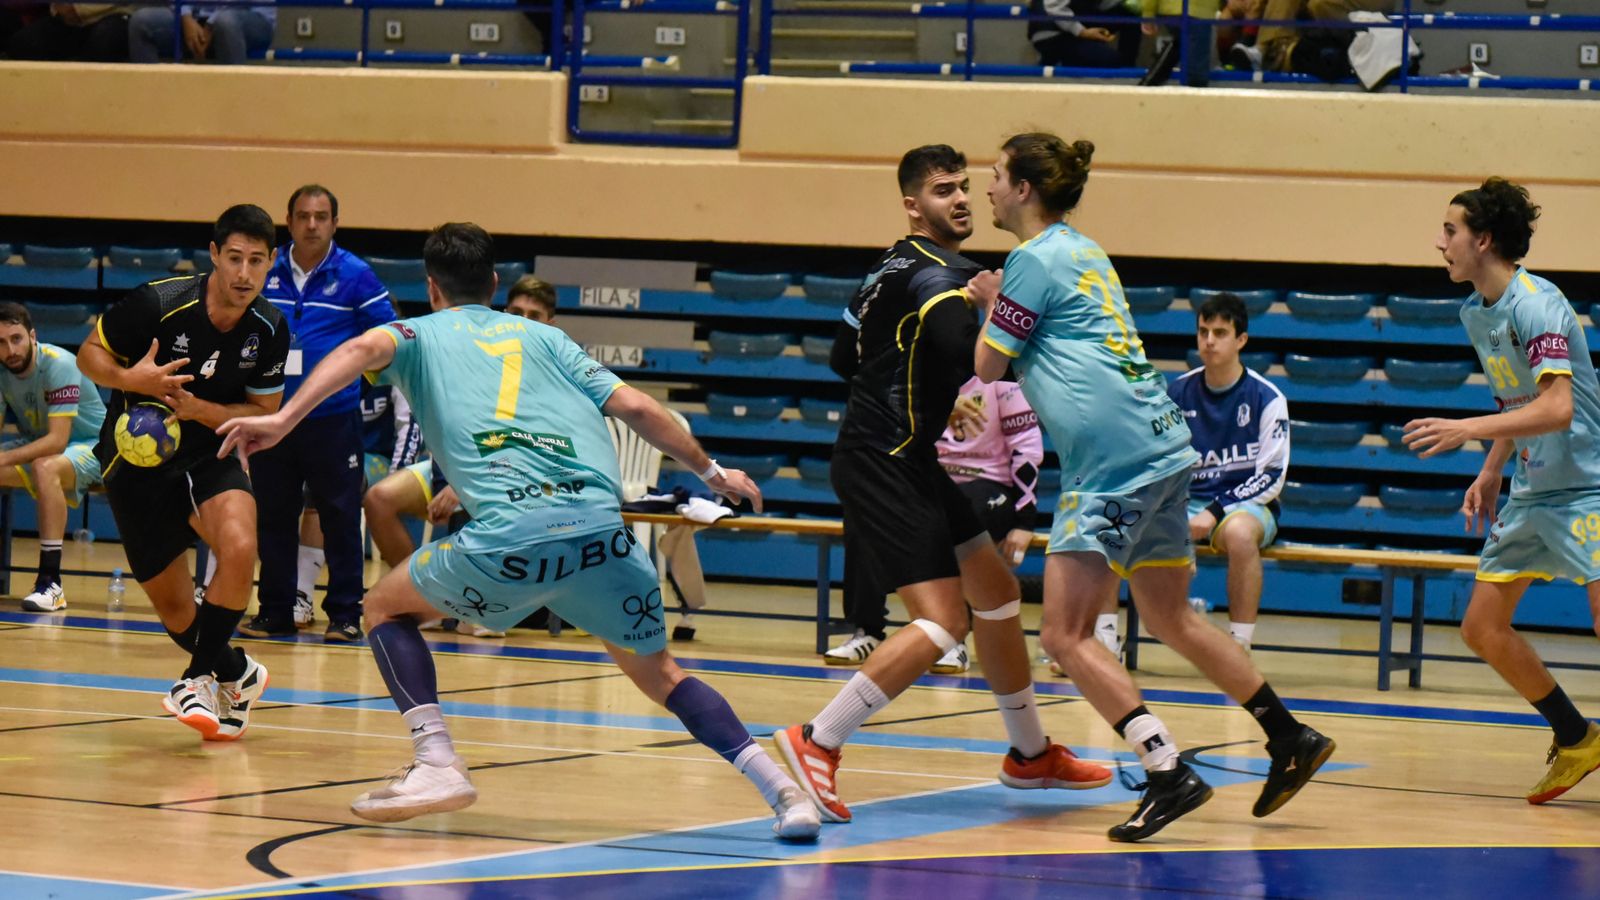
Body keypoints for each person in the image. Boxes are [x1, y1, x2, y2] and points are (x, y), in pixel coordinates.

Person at [217, 223, 821, 840]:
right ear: (495, 283)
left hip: (511, 537)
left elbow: (356, 352)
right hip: (599, 532)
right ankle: (785, 793)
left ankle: (436, 761)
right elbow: (639, 408)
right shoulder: (550, 339)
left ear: (432, 288)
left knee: (380, 608)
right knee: (662, 675)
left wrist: (285, 418)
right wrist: (713, 471)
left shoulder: (417, 332)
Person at [970, 132, 1332, 842]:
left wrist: (987, 299)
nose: (985, 189)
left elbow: (987, 366)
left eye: (993, 176)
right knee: (1174, 618)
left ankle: (1167, 772)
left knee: (1065, 634)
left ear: (1023, 189)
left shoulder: (1028, 261)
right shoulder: (1084, 248)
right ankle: (1287, 737)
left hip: (1112, 462)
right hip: (1166, 444)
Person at [775, 145, 1113, 827]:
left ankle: (1029, 754)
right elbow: (979, 361)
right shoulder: (946, 277)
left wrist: (903, 383)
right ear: (912, 205)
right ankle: (818, 739)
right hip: (885, 461)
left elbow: (845, 356)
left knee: (994, 593)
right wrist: (994, 309)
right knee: (942, 621)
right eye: (941, 191)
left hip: (903, 453)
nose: (959, 199)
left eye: (963, 187)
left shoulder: (883, 271)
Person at [1403, 177, 1600, 805]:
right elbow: (1519, 401)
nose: (1440, 243)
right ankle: (1576, 738)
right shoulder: (1475, 312)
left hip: (1589, 486)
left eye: (1450, 231)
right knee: (1482, 627)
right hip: (1533, 488)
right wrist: (1492, 467)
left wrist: (1468, 428)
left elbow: (1560, 406)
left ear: (1483, 239)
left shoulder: (1537, 303)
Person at [77, 204, 288, 741]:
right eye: (234, 258)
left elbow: (265, 415)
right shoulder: (160, 302)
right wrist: (134, 379)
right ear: (214, 255)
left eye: (257, 261)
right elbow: (88, 355)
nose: (244, 274)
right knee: (177, 613)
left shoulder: (268, 327)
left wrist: (201, 413)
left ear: (271, 264)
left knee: (241, 547)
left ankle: (195, 680)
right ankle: (238, 672)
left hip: (209, 456)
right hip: (136, 464)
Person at [240, 185, 394, 643]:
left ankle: (346, 614)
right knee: (274, 516)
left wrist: (356, 379)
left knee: (340, 516)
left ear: (334, 224)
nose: (311, 225)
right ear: (288, 222)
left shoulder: (356, 275)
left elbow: (386, 336)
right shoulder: (263, 267)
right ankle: (275, 611)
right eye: (303, 216)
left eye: (321, 217)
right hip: (271, 416)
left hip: (333, 419)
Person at [824, 376, 1044, 674]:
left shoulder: (999, 377)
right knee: (863, 516)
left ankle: (955, 639)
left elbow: (1026, 449)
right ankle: (868, 631)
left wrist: (1025, 521)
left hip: (988, 483)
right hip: (928, 479)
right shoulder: (917, 377)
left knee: (959, 516)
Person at [1167, 291, 1289, 652]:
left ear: (1241, 340)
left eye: (1220, 333)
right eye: (1203, 331)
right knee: (1118, 521)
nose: (1208, 341)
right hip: (1187, 502)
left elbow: (1271, 476)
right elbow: (1160, 462)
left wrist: (1215, 510)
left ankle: (1239, 645)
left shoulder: (1267, 398)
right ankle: (1105, 638)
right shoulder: (1178, 391)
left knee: (1238, 535)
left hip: (1243, 506)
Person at [0, 303, 107, 612]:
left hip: (95, 447)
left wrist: (4, 459)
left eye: (16, 338)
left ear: (33, 336)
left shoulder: (59, 364)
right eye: (1, 343)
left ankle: (51, 582)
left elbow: (58, 440)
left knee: (46, 467)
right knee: (43, 463)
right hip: (41, 447)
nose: (10, 350)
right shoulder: (3, 372)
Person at [127, 2, 275, 65]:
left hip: (252, 17)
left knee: (226, 23)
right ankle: (154, 108)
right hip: (198, 18)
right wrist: (185, 16)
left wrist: (211, 23)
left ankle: (233, 110)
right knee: (142, 22)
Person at [1028, 0, 1141, 70]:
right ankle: (1056, 60)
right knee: (1112, 61)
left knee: (1129, 15)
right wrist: (1082, 32)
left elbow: (1105, 5)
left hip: (1075, 25)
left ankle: (1128, 69)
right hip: (1052, 34)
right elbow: (1053, 6)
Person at [5, 3, 129, 60]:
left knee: (104, 39)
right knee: (23, 43)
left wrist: (80, 9)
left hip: (115, 15)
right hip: (67, 16)